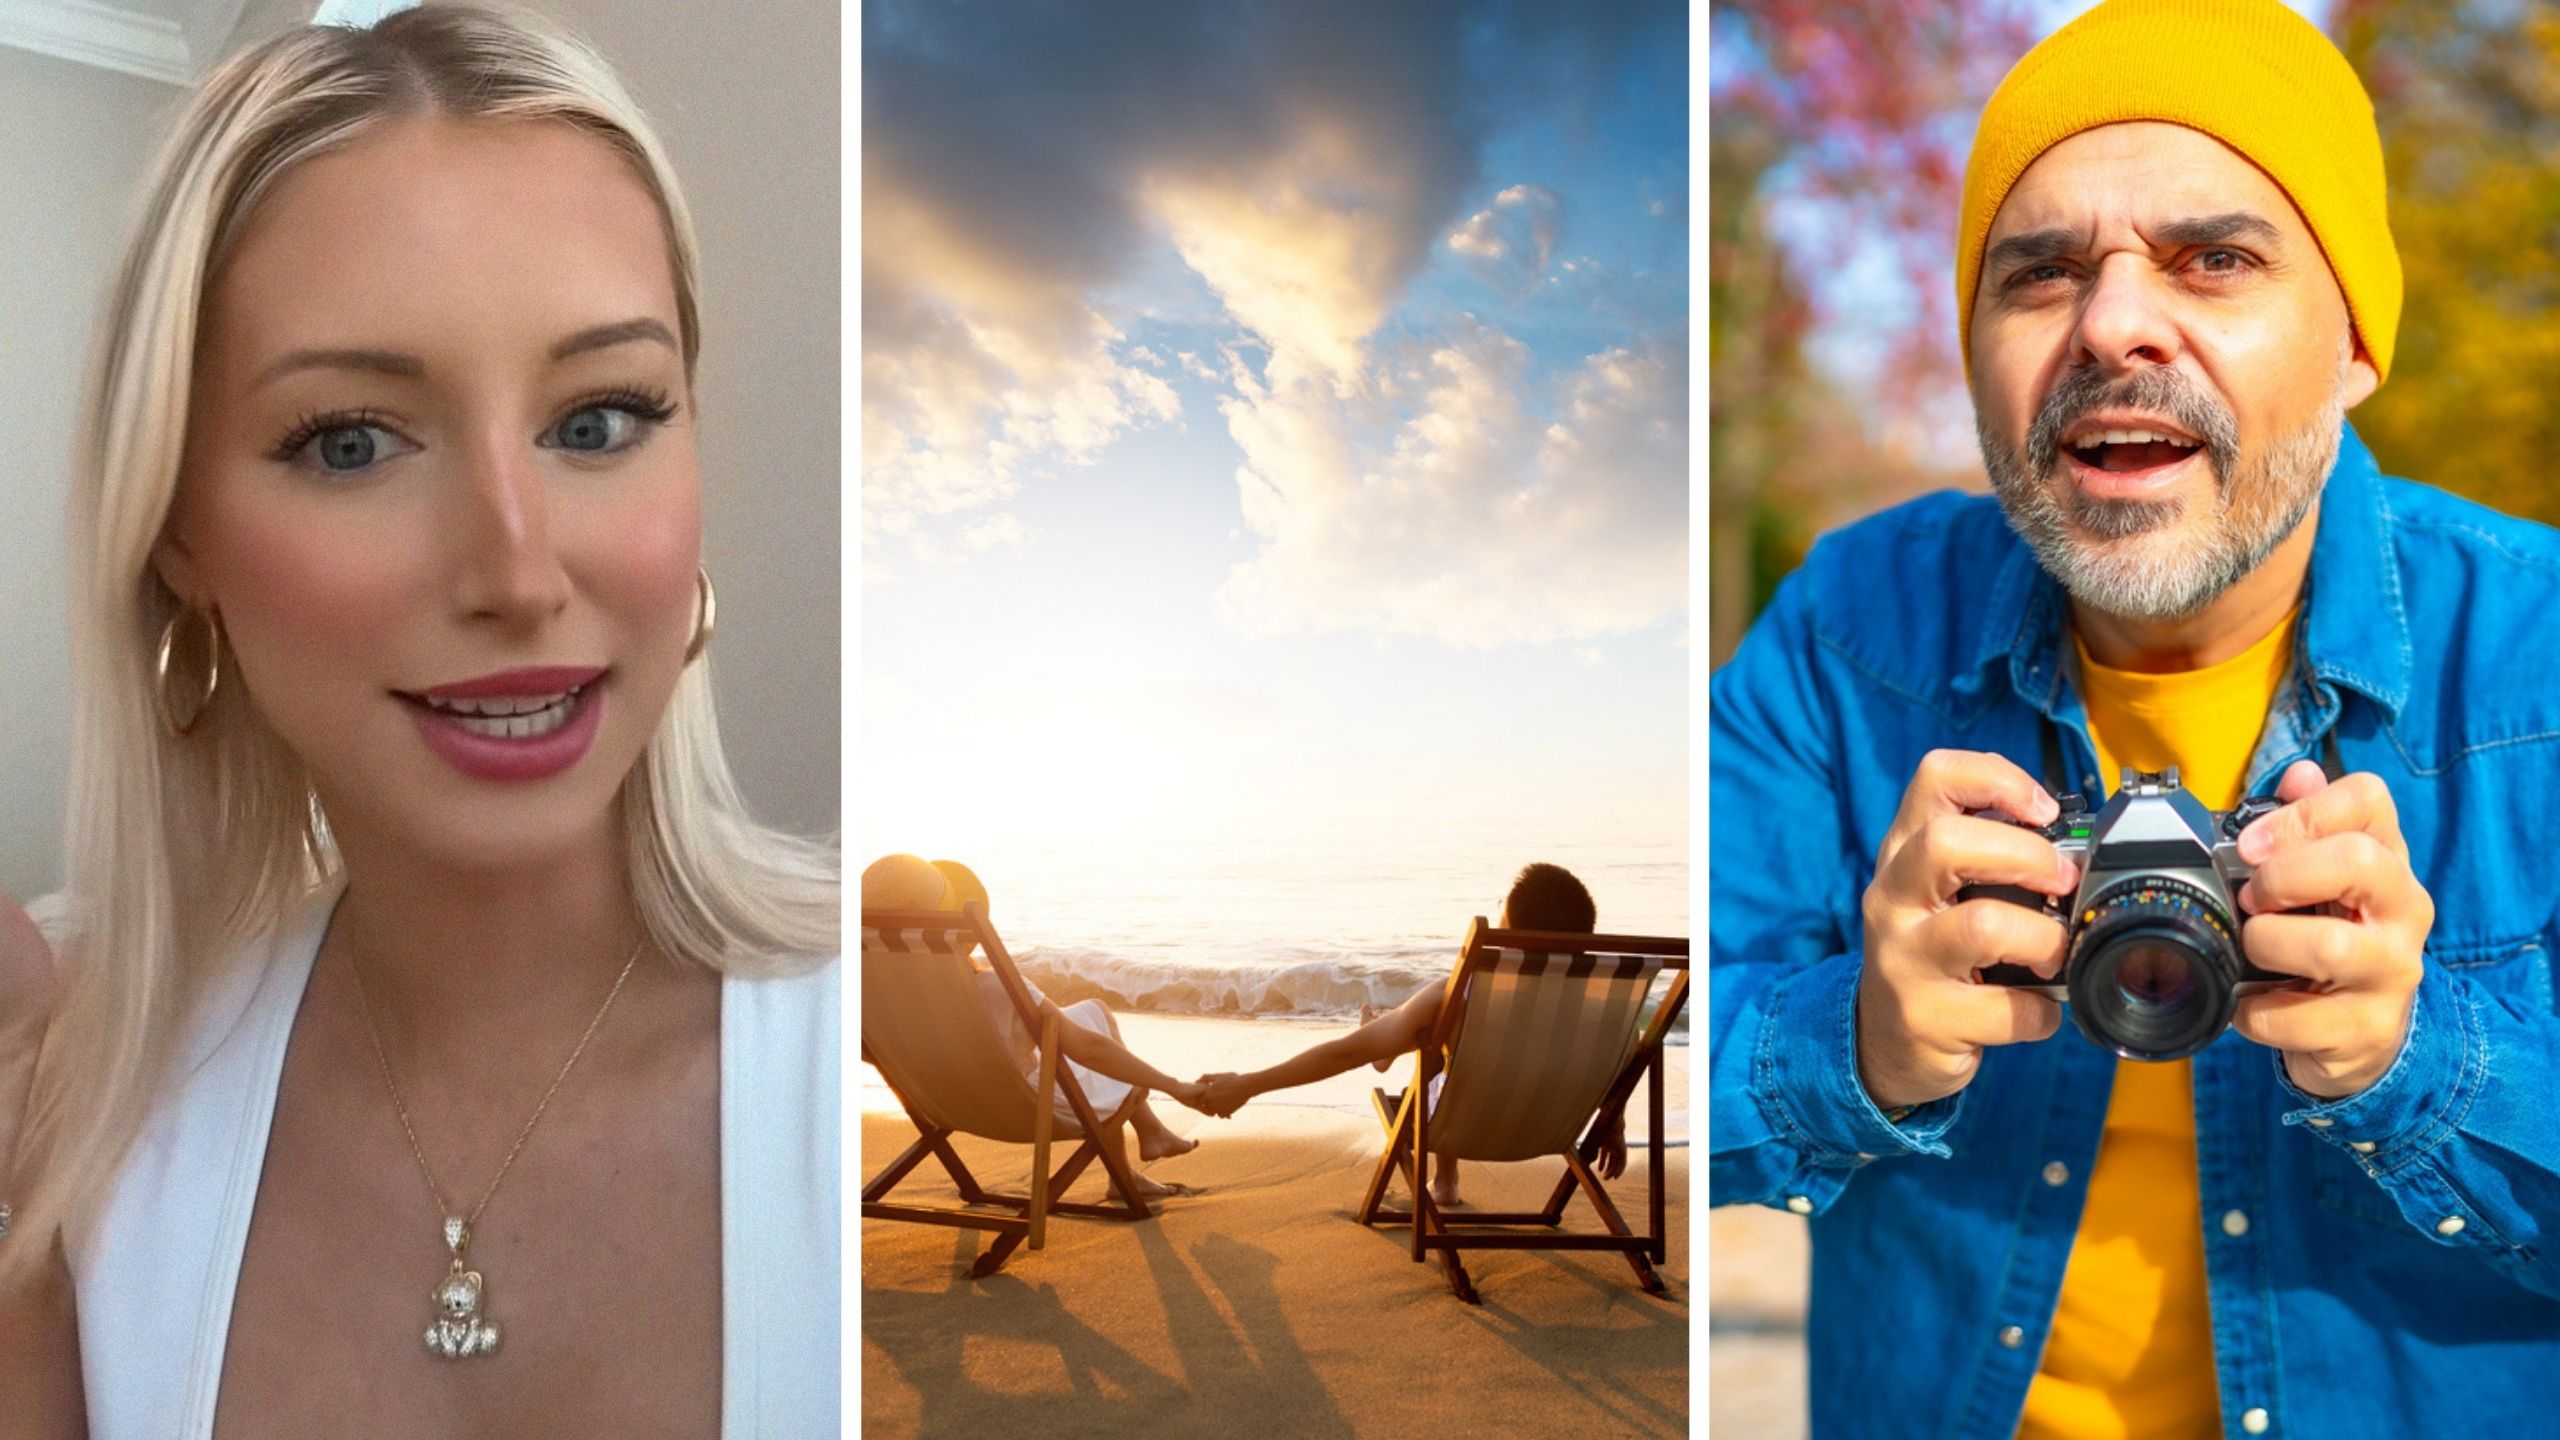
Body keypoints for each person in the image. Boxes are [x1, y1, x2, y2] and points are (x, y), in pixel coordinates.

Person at [1710, 2, 2560, 1436]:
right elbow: (1672, 1065)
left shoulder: (2533, 662)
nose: (2110, 322)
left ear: (2355, 341)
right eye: (2037, 274)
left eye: (2212, 259)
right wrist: (1850, 1039)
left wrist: (2425, 1058)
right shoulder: (1853, 631)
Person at [0, 9, 839, 1437]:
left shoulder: (832, 1066)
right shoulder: (88, 1127)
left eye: (599, 421)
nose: (516, 571)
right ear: (176, 537)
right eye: (350, 441)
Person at [1194, 862, 1627, 1204]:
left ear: (1508, 931)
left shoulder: (1460, 995)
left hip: (1460, 1126)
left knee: (1437, 1045)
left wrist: (1249, 1084)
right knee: (1445, 1042)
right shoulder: (1611, 1008)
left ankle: (1394, 1059)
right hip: (1552, 1132)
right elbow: (1619, 1067)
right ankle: (1393, 1044)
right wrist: (1614, 1125)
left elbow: (1344, 1054)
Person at [859, 853, 1206, 1199]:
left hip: (944, 1102)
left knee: (1091, 1012)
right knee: (1095, 1034)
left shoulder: (867, 994)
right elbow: (1091, 1051)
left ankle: (1141, 1149)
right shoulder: (995, 990)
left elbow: (868, 1054)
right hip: (1028, 1107)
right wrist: (1174, 1086)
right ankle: (1135, 1156)